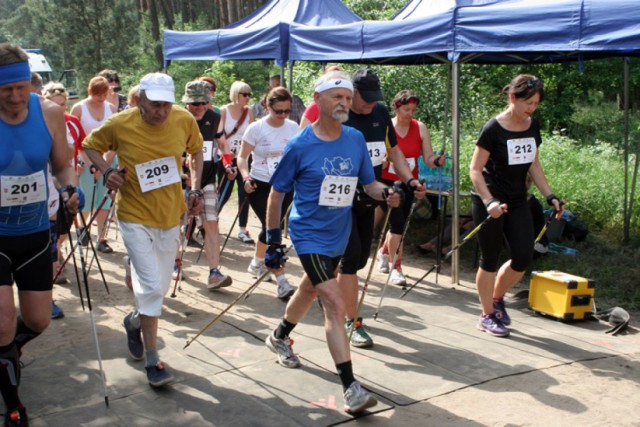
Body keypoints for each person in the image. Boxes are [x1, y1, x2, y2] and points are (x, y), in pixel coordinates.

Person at [264, 70, 400, 414]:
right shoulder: (300, 144)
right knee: (335, 303)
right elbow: (278, 193)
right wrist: (272, 240)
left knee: (310, 288)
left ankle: (279, 336)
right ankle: (351, 387)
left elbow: (368, 184)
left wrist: (386, 193)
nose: (344, 102)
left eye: (347, 97)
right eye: (337, 96)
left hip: (339, 231)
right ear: (318, 100)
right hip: (308, 233)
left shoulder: (354, 139)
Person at [82, 72, 204, 387]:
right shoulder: (120, 123)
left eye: (167, 104)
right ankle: (153, 361)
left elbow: (197, 151)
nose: (162, 111)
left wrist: (195, 190)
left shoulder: (183, 119)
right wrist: (108, 170)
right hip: (133, 215)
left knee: (158, 291)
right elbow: (89, 145)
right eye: (156, 105)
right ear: (140, 101)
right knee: (151, 287)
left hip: (170, 215)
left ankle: (134, 320)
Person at [0, 42, 81, 426]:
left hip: (35, 231)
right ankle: (13, 406)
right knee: (1, 324)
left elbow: (64, 167)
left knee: (37, 321)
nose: (15, 97)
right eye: (5, 90)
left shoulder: (48, 113)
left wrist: (71, 189)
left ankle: (4, 358)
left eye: (20, 87)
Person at [469, 74, 564, 338]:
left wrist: (550, 196)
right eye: (528, 103)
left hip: (518, 199)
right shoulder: (493, 128)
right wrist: (489, 201)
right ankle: (486, 315)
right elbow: (475, 170)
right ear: (513, 98)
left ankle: (497, 299)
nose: (531, 108)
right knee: (488, 259)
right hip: (490, 200)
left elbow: (534, 164)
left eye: (535, 103)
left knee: (523, 256)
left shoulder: (532, 125)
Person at [337, 68, 426, 348]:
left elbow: (394, 152)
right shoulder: (339, 115)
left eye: (376, 97)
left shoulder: (380, 114)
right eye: (366, 98)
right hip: (339, 199)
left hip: (370, 195)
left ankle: (329, 291)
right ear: (353, 93)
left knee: (360, 259)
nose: (371, 104)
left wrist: (410, 179)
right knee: (350, 260)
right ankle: (351, 320)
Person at [377, 90, 445, 285]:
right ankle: (396, 267)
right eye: (406, 109)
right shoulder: (386, 126)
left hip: (410, 182)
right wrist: (381, 161)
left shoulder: (420, 128)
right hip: (387, 182)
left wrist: (437, 161)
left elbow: (428, 159)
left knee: (400, 225)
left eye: (413, 110)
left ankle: (384, 252)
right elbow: (379, 155)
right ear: (396, 107)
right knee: (397, 224)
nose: (410, 114)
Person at [237, 86, 298, 300]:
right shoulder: (256, 128)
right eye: (278, 111)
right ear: (267, 107)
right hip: (259, 184)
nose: (282, 116)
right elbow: (242, 157)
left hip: (284, 186)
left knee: (273, 227)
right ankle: (282, 281)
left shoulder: (293, 128)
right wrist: (245, 177)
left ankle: (256, 263)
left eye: (286, 111)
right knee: (270, 228)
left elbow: (299, 156)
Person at [182, 80, 235, 289]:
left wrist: (228, 164)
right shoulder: (177, 118)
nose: (199, 107)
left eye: (203, 102)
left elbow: (222, 144)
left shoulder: (214, 117)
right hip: (180, 180)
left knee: (211, 222)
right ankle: (176, 264)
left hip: (207, 179)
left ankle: (214, 272)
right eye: (194, 103)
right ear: (186, 102)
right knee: (179, 224)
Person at [71, 76, 118, 253]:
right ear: (90, 92)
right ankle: (84, 228)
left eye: (104, 94)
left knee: (104, 200)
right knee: (87, 197)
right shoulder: (79, 108)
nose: (101, 98)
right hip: (86, 158)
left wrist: (104, 164)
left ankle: (102, 237)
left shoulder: (111, 109)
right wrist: (85, 162)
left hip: (107, 158)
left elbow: (115, 138)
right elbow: (74, 137)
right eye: (97, 94)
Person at [219, 81, 254, 244]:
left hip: (244, 157)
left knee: (244, 192)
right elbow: (219, 136)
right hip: (227, 156)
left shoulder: (250, 112)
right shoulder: (224, 111)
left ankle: (242, 228)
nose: (247, 98)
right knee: (224, 192)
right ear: (236, 94)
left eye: (249, 95)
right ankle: (211, 221)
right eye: (244, 94)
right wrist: (226, 154)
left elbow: (253, 135)